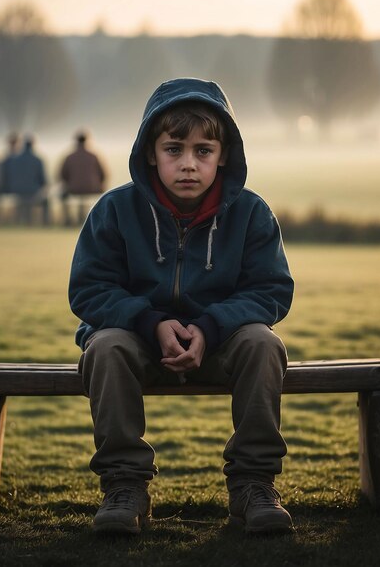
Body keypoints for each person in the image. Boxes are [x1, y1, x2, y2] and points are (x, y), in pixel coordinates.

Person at [69, 78, 294, 535]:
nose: (188, 164)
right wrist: (150, 322)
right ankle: (124, 487)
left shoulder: (251, 214)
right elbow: (89, 289)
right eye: (174, 149)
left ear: (224, 154)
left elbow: (271, 290)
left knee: (262, 343)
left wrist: (211, 326)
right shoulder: (114, 210)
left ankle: (253, 485)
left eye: (203, 151)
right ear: (151, 152)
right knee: (105, 346)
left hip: (221, 344)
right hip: (139, 344)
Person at [59, 130, 108, 225]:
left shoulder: (69, 157)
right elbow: (103, 174)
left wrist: (70, 182)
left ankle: (68, 220)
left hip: (74, 189)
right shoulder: (93, 156)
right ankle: (99, 220)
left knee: (62, 196)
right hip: (93, 188)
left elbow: (63, 174)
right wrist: (99, 184)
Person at [7, 135, 50, 225]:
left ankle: (19, 222)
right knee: (46, 202)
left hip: (17, 190)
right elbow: (43, 179)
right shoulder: (38, 160)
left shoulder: (15, 160)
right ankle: (45, 223)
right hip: (33, 191)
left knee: (23, 202)